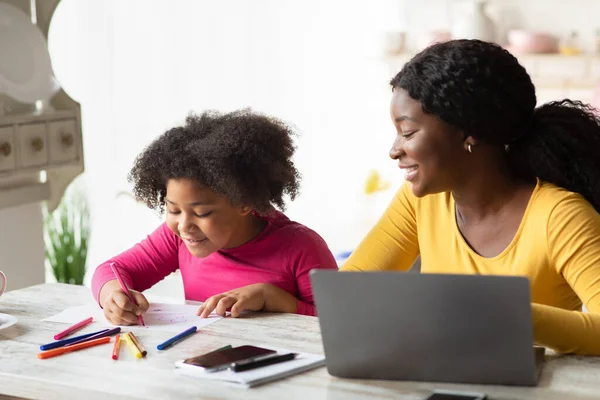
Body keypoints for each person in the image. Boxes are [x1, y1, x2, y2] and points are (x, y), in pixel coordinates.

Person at [341, 39, 600, 355]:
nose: (394, 150)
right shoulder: (420, 202)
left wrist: (513, 316)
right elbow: (347, 293)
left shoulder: (560, 217)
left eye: (407, 133)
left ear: (469, 132)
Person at [92, 109, 337, 324]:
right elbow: (111, 270)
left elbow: (342, 324)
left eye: (202, 213)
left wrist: (274, 299)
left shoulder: (302, 247)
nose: (185, 225)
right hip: (203, 365)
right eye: (173, 210)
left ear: (244, 202)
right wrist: (113, 295)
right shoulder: (176, 238)